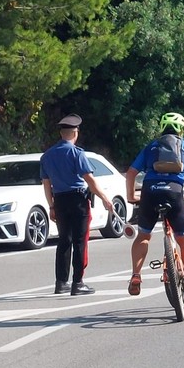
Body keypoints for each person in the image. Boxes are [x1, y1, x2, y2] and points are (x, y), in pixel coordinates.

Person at [125, 112, 184, 298]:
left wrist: (132, 196)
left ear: (163, 128)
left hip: (150, 192)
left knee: (143, 236)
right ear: (182, 129)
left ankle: (136, 276)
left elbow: (131, 172)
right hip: (174, 193)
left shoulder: (151, 147)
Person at [40, 114, 113, 295]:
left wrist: (51, 206)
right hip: (78, 200)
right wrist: (104, 197)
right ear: (75, 133)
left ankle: (61, 282)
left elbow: (46, 184)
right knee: (81, 241)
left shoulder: (47, 156)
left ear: (61, 133)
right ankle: (78, 282)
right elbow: (90, 180)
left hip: (60, 200)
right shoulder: (76, 153)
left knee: (64, 240)